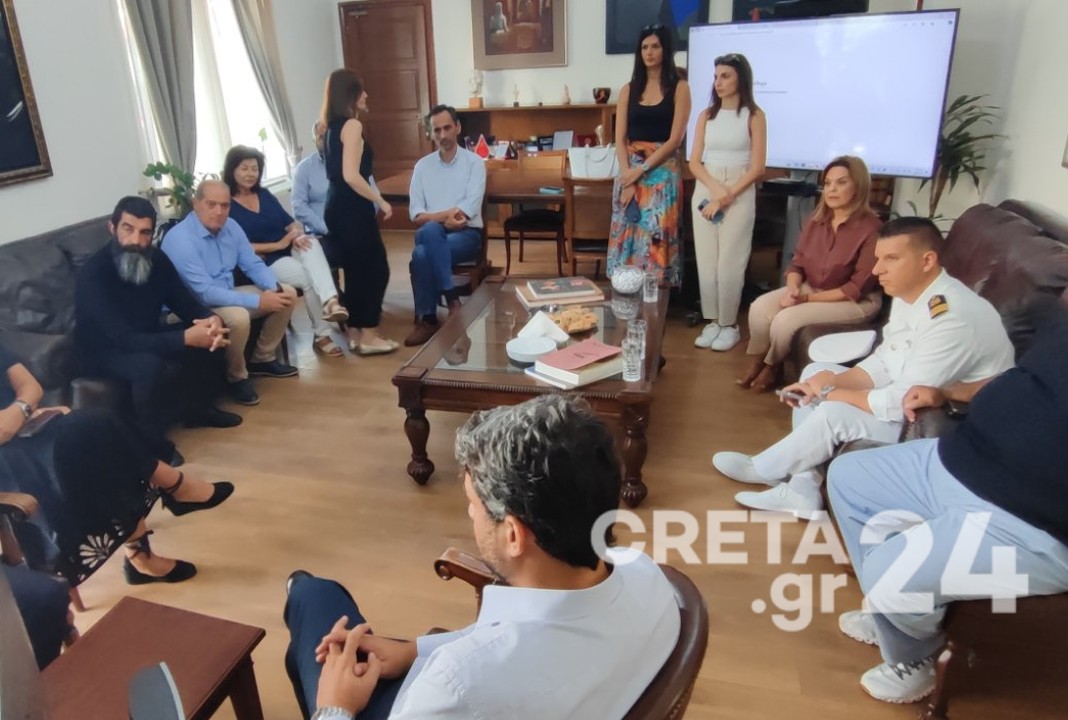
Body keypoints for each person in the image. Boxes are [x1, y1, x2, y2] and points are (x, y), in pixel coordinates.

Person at [283, 395, 680, 720]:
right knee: (317, 614)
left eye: (473, 504)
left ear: (513, 535)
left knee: (314, 601)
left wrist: (334, 707)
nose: (471, 515)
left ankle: (299, 591)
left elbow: (474, 674)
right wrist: (414, 650)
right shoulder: (646, 574)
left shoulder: (460, 684)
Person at [827, 298, 1068, 704]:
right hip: (958, 458)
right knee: (849, 477)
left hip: (1029, 521)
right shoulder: (1058, 325)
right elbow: (1018, 378)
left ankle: (913, 659)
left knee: (891, 572)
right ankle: (890, 614)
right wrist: (949, 392)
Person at [712, 217, 1015, 518]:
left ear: (927, 261)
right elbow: (886, 359)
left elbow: (900, 402)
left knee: (833, 411)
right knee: (816, 373)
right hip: (911, 396)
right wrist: (832, 380)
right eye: (878, 258)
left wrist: (829, 393)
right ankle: (802, 488)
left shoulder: (950, 318)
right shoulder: (912, 293)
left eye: (891, 259)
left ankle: (766, 469)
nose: (877, 269)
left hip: (944, 421)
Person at [0, 340, 233, 585]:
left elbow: (30, 387)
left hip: (24, 427)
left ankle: (149, 540)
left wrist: (19, 410)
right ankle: (170, 498)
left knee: (97, 427)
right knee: (92, 439)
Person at [75, 196, 239, 467]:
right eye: (128, 229)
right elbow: (122, 339)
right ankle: (153, 446)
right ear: (112, 228)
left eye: (145, 232)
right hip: (103, 351)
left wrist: (210, 319)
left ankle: (199, 411)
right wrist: (184, 338)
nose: (136, 240)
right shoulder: (94, 274)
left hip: (146, 335)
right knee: (147, 366)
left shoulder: (157, 260)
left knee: (212, 329)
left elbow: (185, 303)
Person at [738, 156, 883, 391]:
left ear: (858, 186)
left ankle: (772, 366)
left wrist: (804, 299)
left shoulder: (872, 228)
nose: (832, 189)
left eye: (841, 183)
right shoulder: (816, 221)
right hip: (812, 287)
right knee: (759, 308)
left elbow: (855, 288)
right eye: (828, 183)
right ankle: (757, 361)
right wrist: (793, 288)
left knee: (785, 320)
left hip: (855, 300)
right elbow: (797, 264)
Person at [162, 179, 299, 407]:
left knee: (287, 293)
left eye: (225, 205)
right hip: (192, 308)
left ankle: (262, 359)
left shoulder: (232, 227)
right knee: (238, 316)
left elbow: (252, 264)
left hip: (225, 294)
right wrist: (258, 301)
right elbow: (205, 293)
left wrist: (273, 288)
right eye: (211, 204)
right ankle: (236, 377)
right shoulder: (180, 240)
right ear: (196, 203)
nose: (219, 212)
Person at [224, 144, 349, 358]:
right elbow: (239, 248)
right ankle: (322, 335)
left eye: (255, 169)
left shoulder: (264, 194)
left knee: (311, 242)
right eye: (244, 168)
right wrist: (279, 244)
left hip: (290, 248)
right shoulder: (227, 206)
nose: (250, 174)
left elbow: (289, 223)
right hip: (265, 261)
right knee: (309, 278)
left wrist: (297, 234)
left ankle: (331, 302)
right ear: (232, 170)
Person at [689, 52, 767, 352]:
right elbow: (694, 162)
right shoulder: (706, 116)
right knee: (707, 262)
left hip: (739, 190)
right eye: (716, 77)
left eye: (725, 76)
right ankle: (712, 320)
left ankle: (729, 323)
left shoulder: (754, 116)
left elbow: (757, 167)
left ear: (740, 79)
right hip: (707, 187)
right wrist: (714, 190)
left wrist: (727, 195)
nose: (718, 82)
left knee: (729, 263)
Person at [607, 25, 691, 287]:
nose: (649, 52)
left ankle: (656, 299)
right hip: (629, 171)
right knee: (628, 236)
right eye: (644, 47)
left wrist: (641, 170)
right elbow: (620, 138)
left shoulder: (680, 88)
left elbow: (675, 140)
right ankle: (624, 294)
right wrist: (628, 177)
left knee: (655, 238)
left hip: (661, 172)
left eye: (655, 46)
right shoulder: (628, 90)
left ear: (666, 50)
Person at [322, 69, 398, 356]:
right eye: (361, 91)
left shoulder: (330, 127)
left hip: (336, 205)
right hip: (351, 207)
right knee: (375, 269)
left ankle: (355, 333)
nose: (366, 95)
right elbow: (351, 176)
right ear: (350, 95)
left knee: (355, 271)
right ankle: (369, 335)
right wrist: (381, 201)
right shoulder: (352, 126)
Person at [404, 105, 486, 347]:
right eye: (437, 130)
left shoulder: (474, 163)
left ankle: (428, 319)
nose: (442, 135)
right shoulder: (422, 167)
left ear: (458, 128)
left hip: (466, 234)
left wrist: (440, 217)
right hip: (433, 233)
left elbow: (469, 208)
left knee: (422, 252)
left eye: (447, 128)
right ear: (431, 133)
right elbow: (415, 214)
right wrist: (445, 216)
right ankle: (452, 300)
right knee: (429, 234)